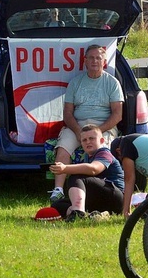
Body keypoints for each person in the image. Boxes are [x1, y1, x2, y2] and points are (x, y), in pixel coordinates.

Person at [50, 44, 124, 202]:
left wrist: (97, 131)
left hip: (103, 126)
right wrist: (78, 131)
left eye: (98, 58)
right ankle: (57, 190)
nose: (95, 61)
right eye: (91, 57)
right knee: (63, 148)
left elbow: (117, 115)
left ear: (104, 61)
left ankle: (99, 186)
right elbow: (68, 113)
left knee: (103, 150)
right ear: (85, 61)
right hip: (77, 125)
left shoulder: (112, 83)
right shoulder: (75, 82)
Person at [49, 124, 124, 221]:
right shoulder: (87, 157)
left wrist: (65, 168)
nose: (88, 142)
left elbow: (94, 169)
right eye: (84, 140)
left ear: (101, 141)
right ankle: (89, 215)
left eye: (91, 138)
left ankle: (77, 213)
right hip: (99, 198)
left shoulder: (104, 153)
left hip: (116, 197)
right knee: (57, 205)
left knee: (76, 176)